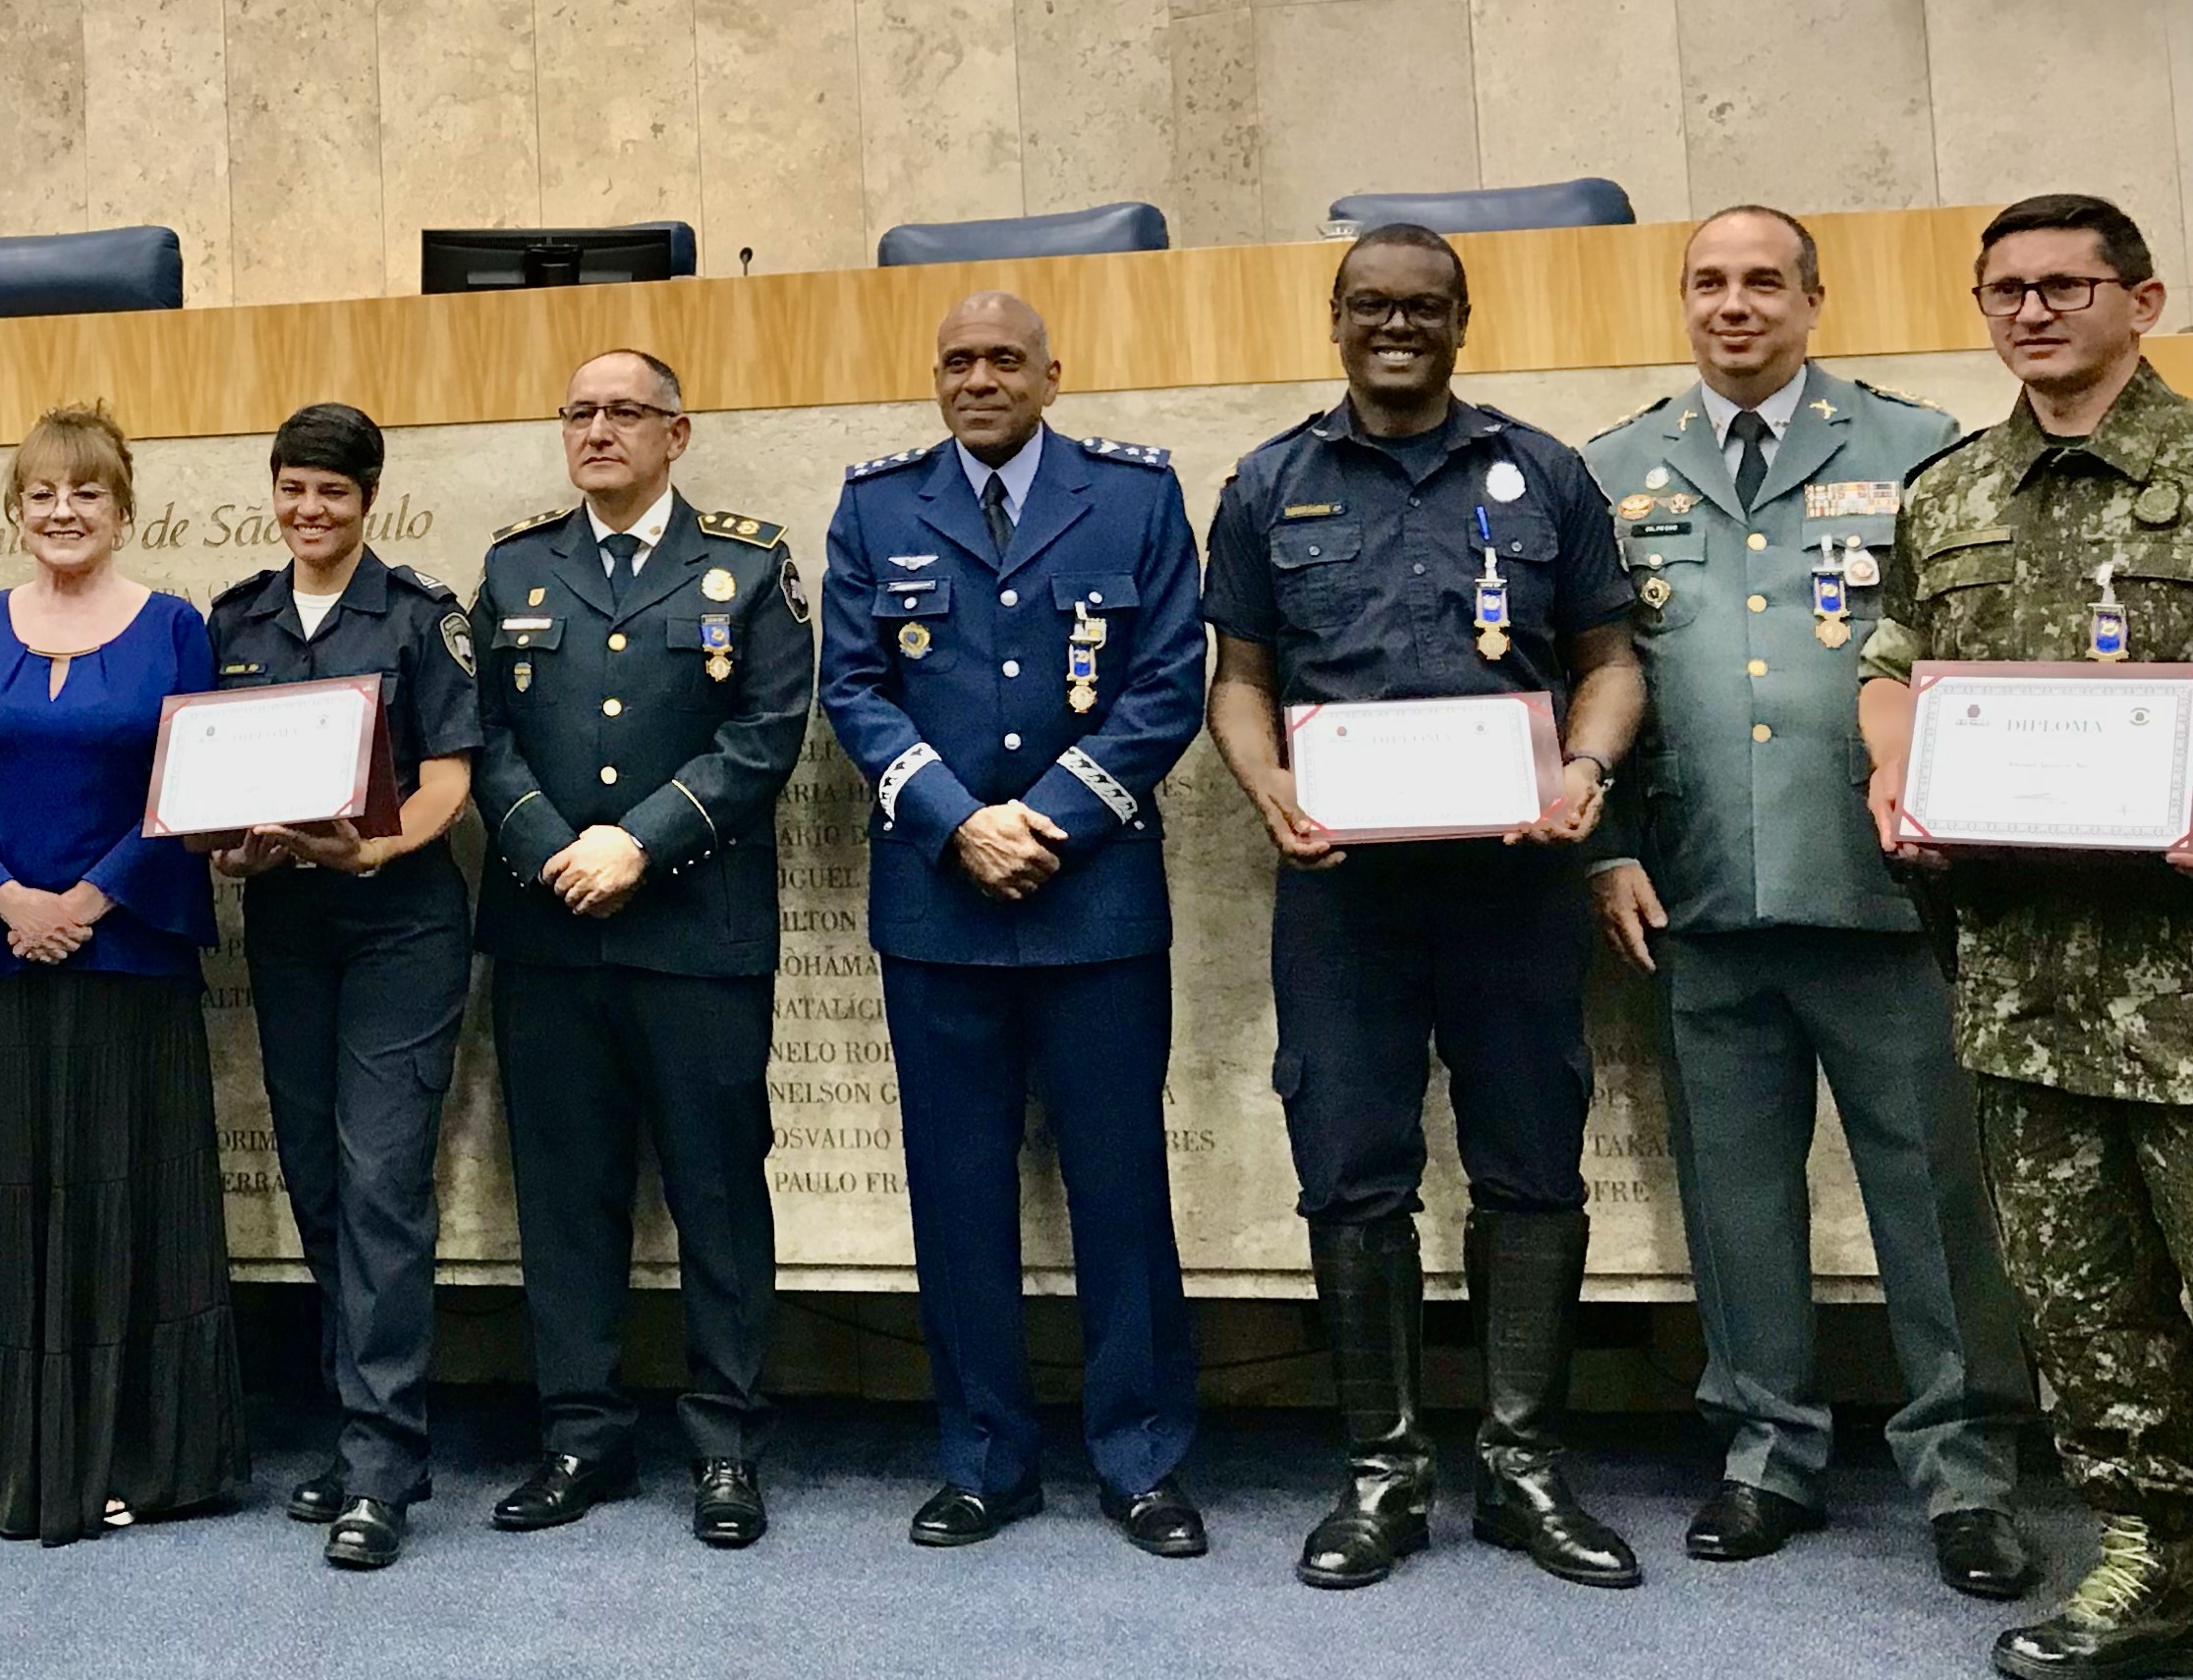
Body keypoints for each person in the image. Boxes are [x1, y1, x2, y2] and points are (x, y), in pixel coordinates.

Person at [1583, 208, 2040, 1599]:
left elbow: (1974, 646)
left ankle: (1964, 1471)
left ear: (1813, 299)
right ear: (1682, 301)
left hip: (1886, 895)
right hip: (1702, 892)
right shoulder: (1614, 470)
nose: (1735, 304)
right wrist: (1599, 850)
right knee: (1734, 1195)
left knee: (1933, 1196)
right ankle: (1766, 1450)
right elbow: (1582, 674)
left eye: (1763, 280)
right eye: (1709, 282)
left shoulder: (1920, 450)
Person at [1202, 223, 1649, 1592]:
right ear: (1333, 317)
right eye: (1373, 305)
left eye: (1426, 307)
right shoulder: (1270, 483)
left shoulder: (1544, 472)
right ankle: (1383, 1473)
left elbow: (1611, 659)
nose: (1399, 325)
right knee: (1351, 1167)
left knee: (1532, 1163)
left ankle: (1523, 1469)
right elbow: (1238, 677)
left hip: (1513, 880)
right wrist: (1268, 783)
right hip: (1344, 890)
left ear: (1463, 320)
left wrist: (1586, 769)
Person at [1861, 191, 2193, 1680]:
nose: (2035, 311)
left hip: (2185, 981)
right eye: (2007, 291)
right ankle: (2151, 1553)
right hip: (2027, 986)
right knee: (2080, 1297)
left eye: (2067, 285)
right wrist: (1893, 765)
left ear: (2144, 298)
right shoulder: (1948, 495)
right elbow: (1896, 667)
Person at [817, 294, 1209, 1560]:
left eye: (1002, 359)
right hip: (938, 909)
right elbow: (854, 685)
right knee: (958, 1193)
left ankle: (1141, 1457)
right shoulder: (878, 505)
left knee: (1118, 1188)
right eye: (956, 361)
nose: (978, 378)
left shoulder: (1136, 498)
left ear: (1053, 372)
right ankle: (984, 1457)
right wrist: (953, 820)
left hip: (1093, 902)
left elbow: (1164, 683)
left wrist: (1045, 814)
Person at [470, 349, 813, 1549]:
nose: (597, 429)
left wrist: (638, 843)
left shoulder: (749, 561)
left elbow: (769, 731)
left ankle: (723, 1442)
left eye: (623, 411)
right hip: (548, 931)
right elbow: (485, 738)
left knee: (718, 1193)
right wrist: (554, 847)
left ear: (677, 430)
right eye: (579, 411)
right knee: (566, 1195)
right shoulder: (516, 563)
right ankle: (580, 1433)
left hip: (695, 931)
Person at [0, 403, 243, 1544]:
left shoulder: (171, 627)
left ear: (122, 507)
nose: (63, 511)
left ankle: (133, 1458)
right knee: (7, 1203)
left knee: (126, 1195)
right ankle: (9, 1464)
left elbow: (187, 778)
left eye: (87, 492)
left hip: (128, 950)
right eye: (43, 493)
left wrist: (87, 900)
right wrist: (11, 902)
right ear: (14, 508)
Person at [204, 404, 481, 1571]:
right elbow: (208, 774)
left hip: (397, 927)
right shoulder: (237, 619)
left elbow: (449, 775)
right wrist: (222, 844)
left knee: (380, 1182)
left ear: (371, 498)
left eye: (332, 492)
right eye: (292, 489)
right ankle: (365, 1426)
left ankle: (379, 1458)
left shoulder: (419, 618)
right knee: (317, 1175)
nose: (309, 511)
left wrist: (376, 847)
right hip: (289, 926)